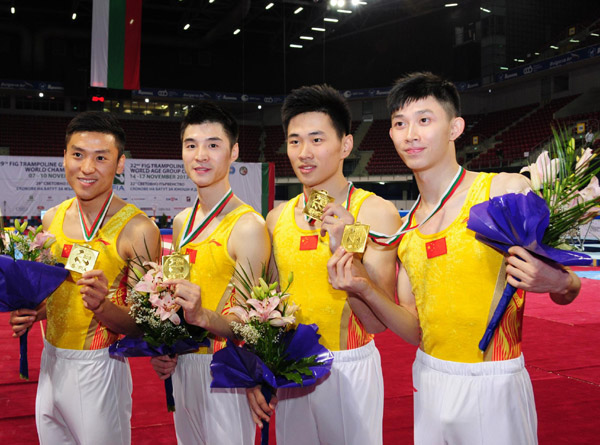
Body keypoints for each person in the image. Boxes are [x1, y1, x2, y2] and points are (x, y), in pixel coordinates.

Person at [327, 72, 581, 444]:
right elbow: (416, 330)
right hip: (429, 380)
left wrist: (558, 281)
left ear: (455, 127)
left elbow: (569, 288)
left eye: (424, 120)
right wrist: (363, 286)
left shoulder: (502, 191)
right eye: (400, 124)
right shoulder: (407, 228)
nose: (410, 134)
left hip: (494, 379)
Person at [246, 84, 402, 445]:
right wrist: (262, 368)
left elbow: (378, 321)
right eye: (295, 141)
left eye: (317, 140)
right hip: (290, 367)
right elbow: (268, 308)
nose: (304, 153)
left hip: (347, 365)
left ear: (345, 145)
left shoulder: (374, 212)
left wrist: (344, 245)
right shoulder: (277, 217)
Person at [9, 111, 161, 444]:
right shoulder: (52, 218)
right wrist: (36, 312)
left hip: (100, 366)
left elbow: (144, 324)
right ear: (64, 157)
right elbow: (57, 293)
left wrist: (103, 307)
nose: (87, 168)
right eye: (77, 154)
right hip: (50, 361)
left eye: (101, 158)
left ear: (119, 163)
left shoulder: (139, 231)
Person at [148, 102, 271, 445]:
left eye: (213, 145)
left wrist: (201, 315)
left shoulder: (248, 226)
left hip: (226, 370)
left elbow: (249, 324)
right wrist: (166, 346)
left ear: (233, 152)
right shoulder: (182, 221)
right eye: (191, 145)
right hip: (185, 368)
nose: (200, 155)